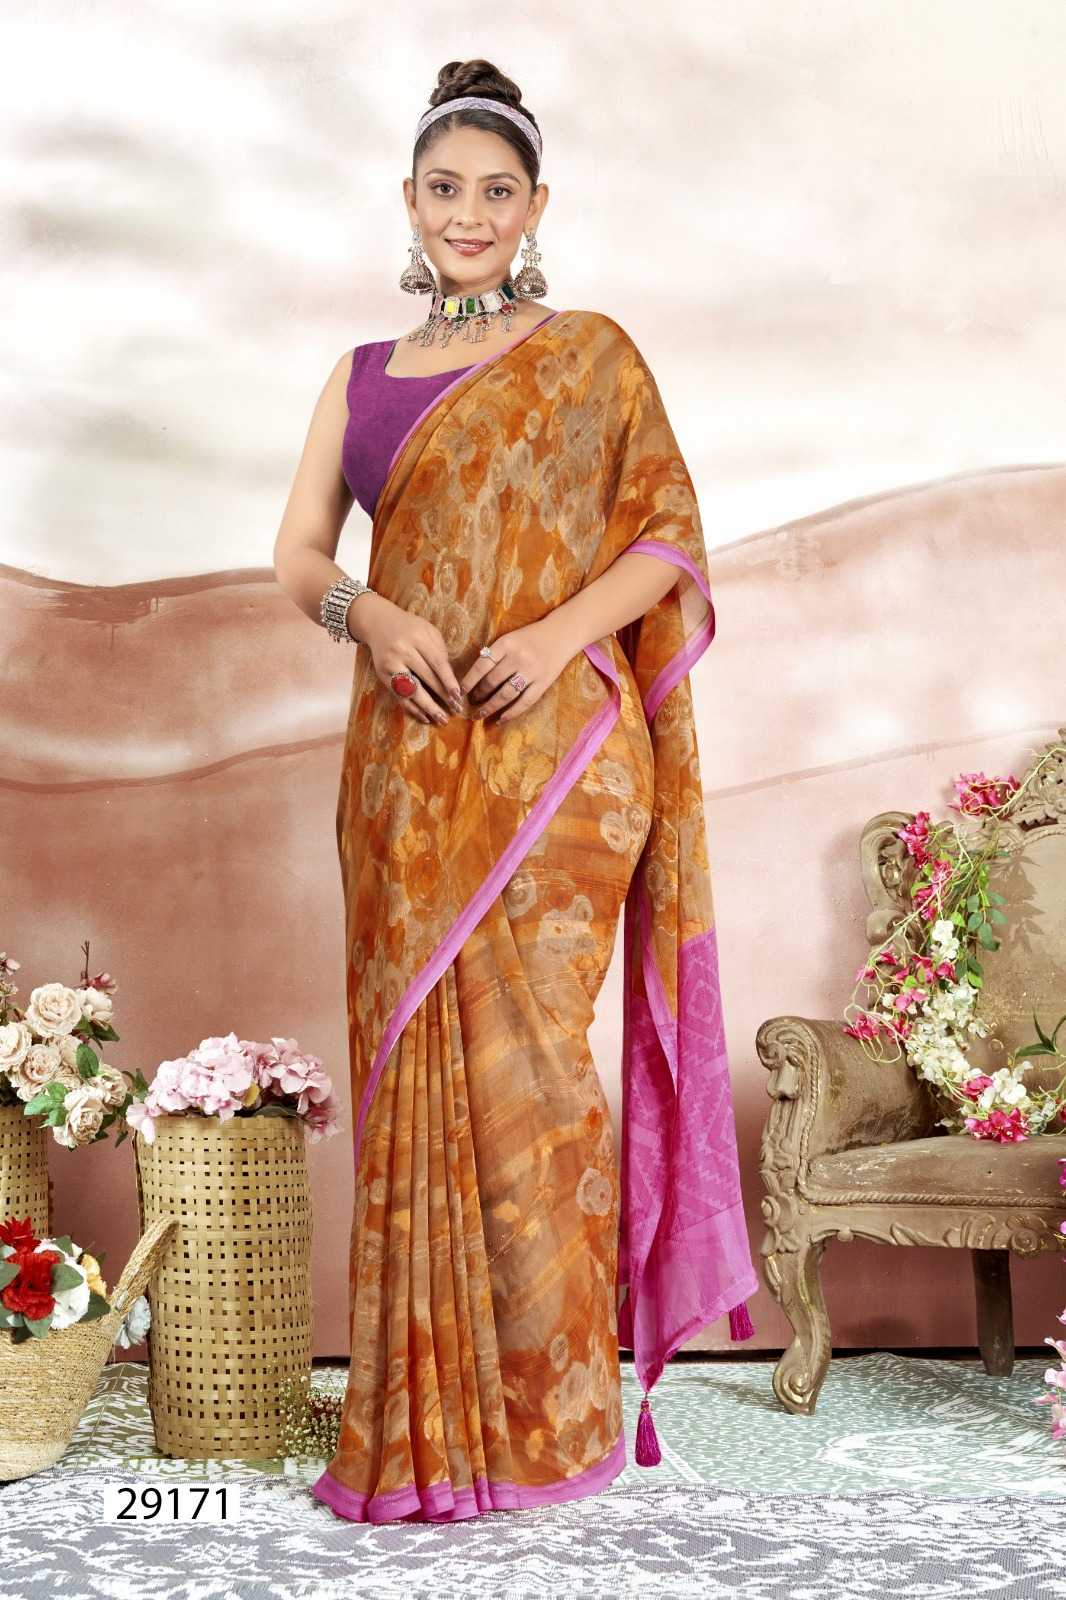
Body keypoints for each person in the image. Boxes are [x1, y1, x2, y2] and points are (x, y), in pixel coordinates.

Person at [272, 57, 759, 1525]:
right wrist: (367, 615)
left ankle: (550, 1419)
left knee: (537, 1082)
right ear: (408, 202)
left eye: (497, 191)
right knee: (419, 1077)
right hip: (406, 771)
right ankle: (428, 1428)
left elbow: (666, 541)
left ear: (537, 206)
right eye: (445, 189)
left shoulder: (593, 357)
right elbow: (296, 555)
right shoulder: (359, 377)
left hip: (559, 772)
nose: (469, 215)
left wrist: (551, 638)